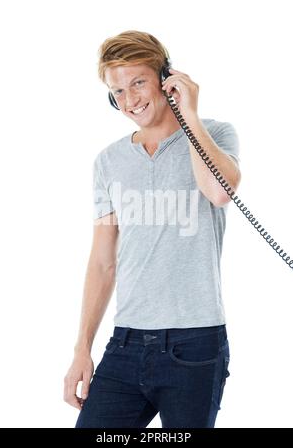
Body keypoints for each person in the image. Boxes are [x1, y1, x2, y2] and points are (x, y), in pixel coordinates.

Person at [63, 30, 241, 428]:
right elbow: (103, 261)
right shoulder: (108, 162)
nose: (130, 100)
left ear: (165, 76)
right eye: (118, 91)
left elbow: (219, 192)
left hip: (194, 343)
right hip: (126, 342)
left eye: (138, 83)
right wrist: (81, 349)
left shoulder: (216, 134)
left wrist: (190, 115)